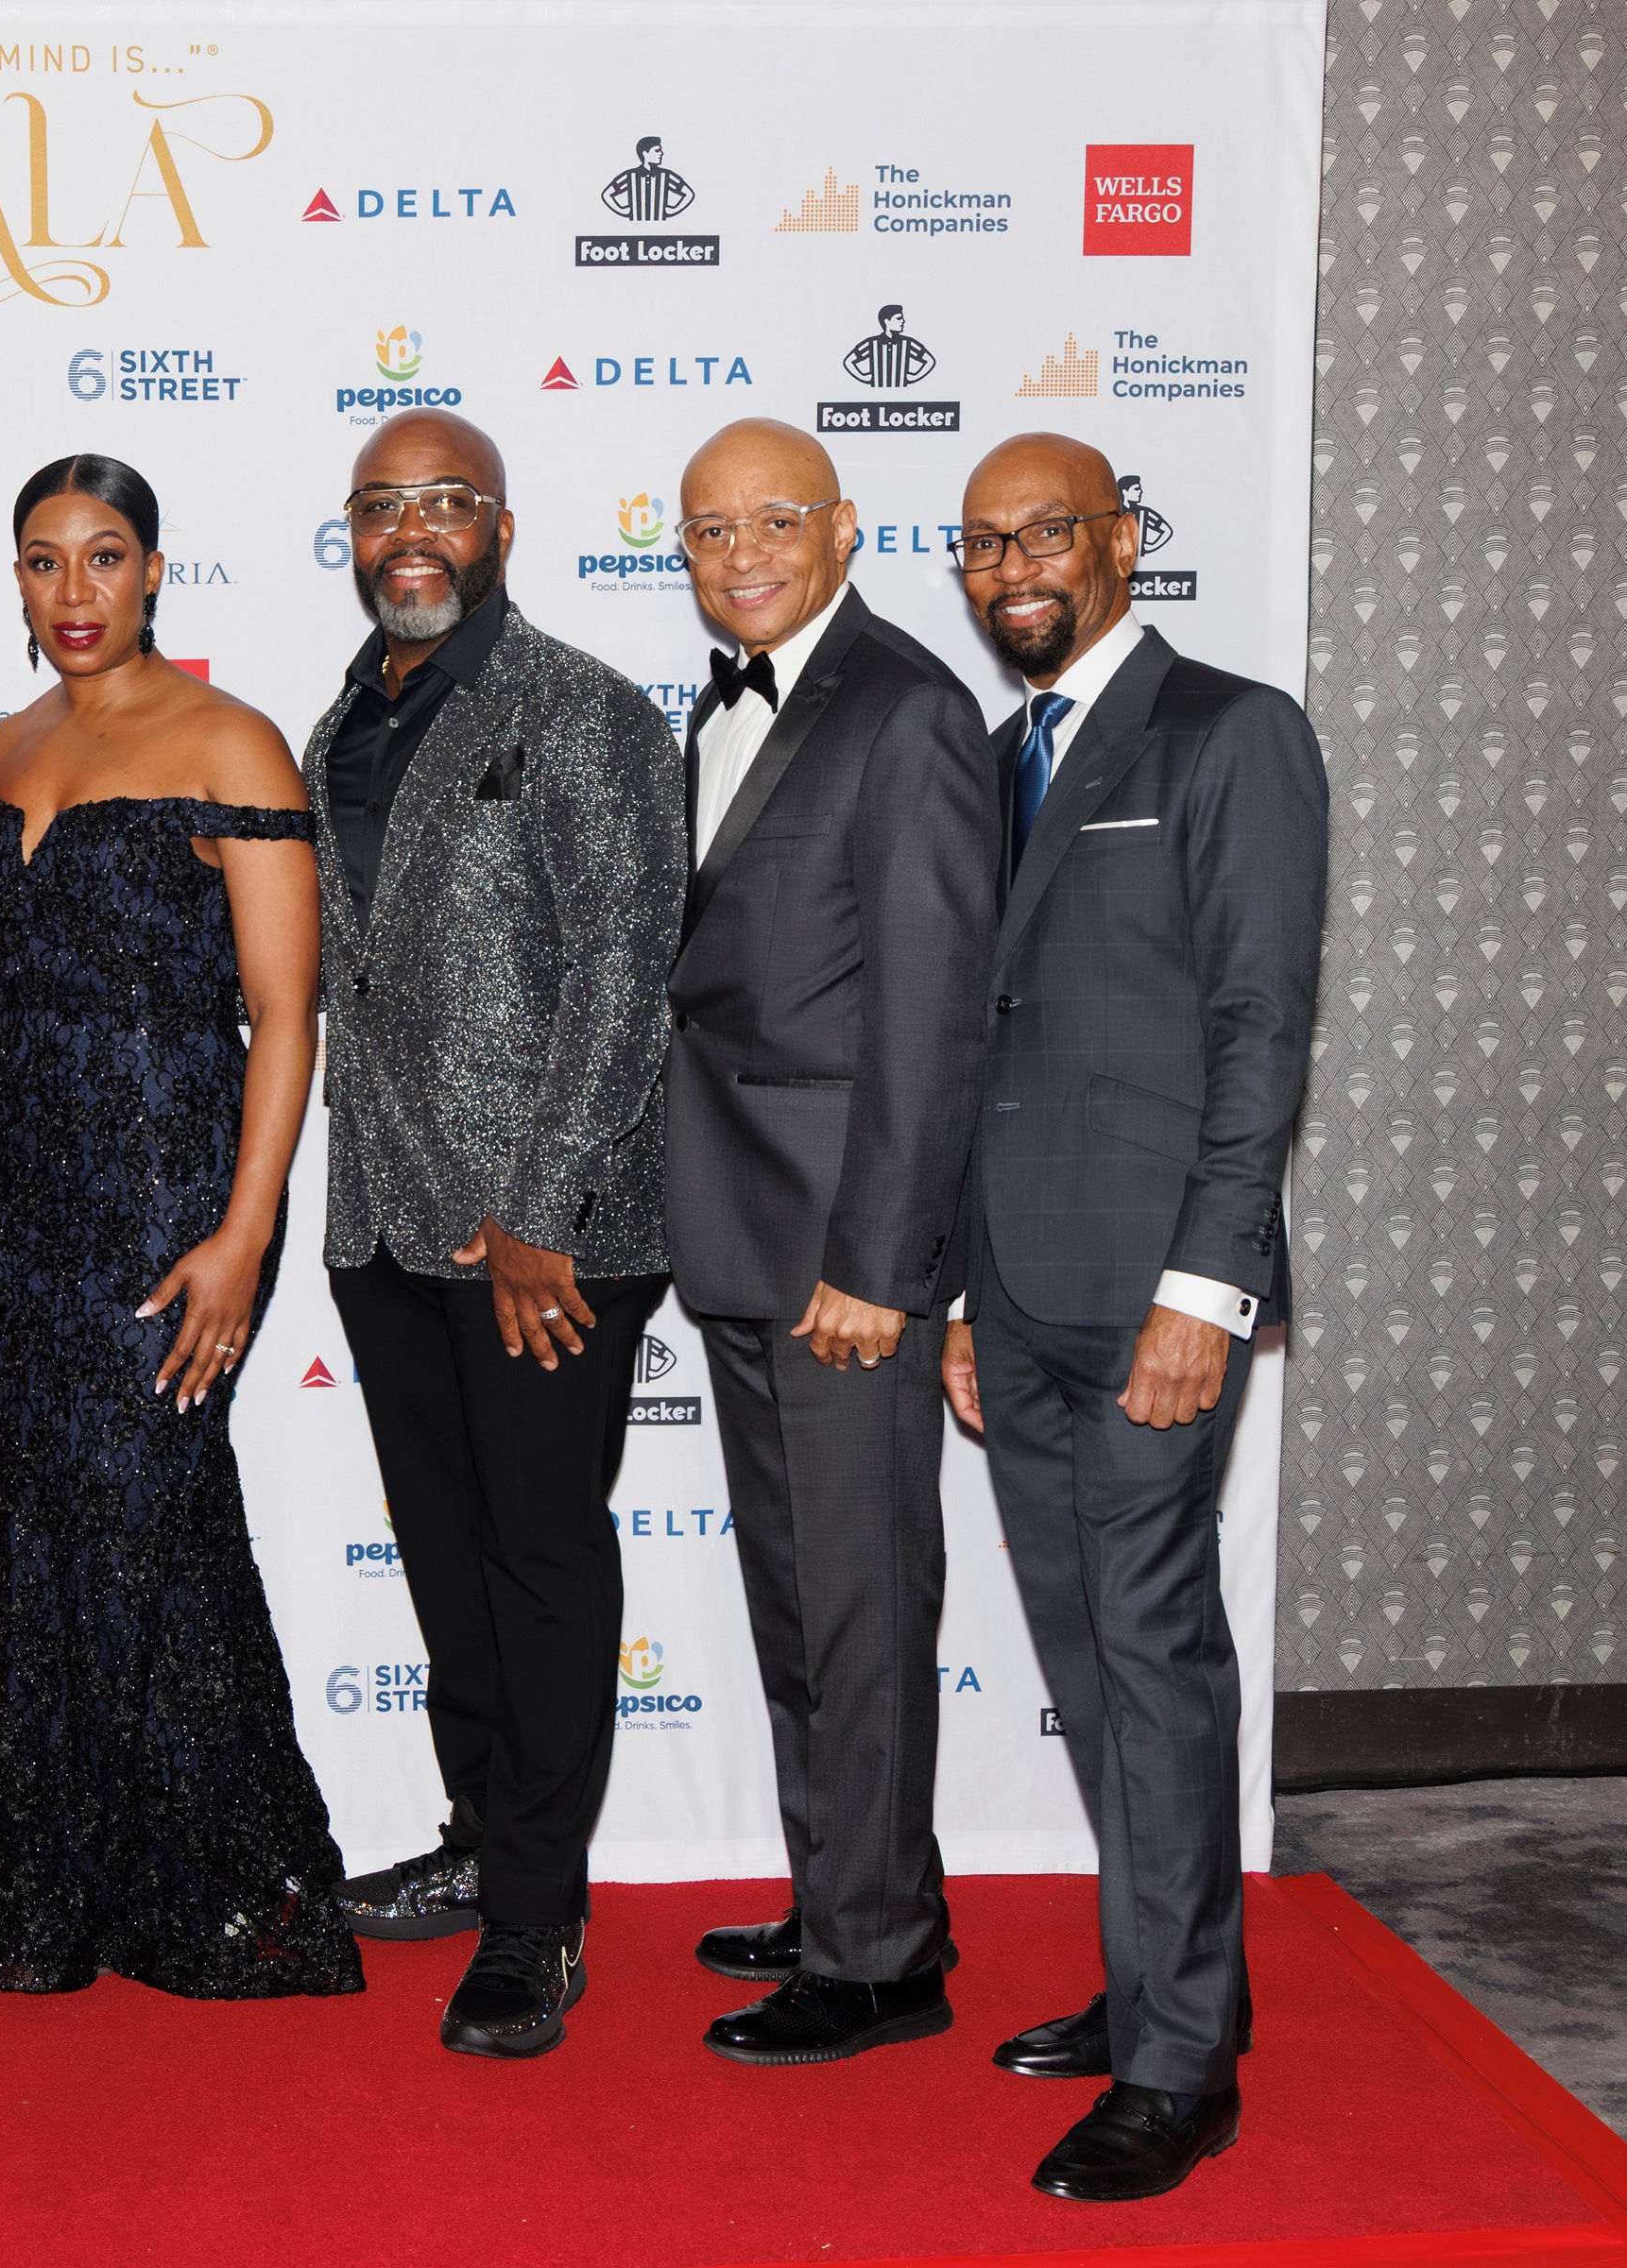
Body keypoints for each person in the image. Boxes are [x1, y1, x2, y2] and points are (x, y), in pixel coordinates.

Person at [0, 454, 364, 2002]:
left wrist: (243, 1229)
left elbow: (286, 1017)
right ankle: (46, 1849)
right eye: (41, 561)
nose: (73, 591)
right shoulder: (0, 751)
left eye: (104, 557)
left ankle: (210, 1865)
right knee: (35, 1499)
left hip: (172, 1175)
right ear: (12, 582)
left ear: (157, 571)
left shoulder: (232, 739)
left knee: (145, 1503)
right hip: (24, 1180)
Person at [943, 433, 1326, 2202]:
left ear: (1122, 542)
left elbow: (1261, 1031)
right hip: (1012, 1289)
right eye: (983, 544)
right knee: (1093, 1657)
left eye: (1046, 534)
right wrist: (957, 1284)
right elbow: (991, 1038)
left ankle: (1183, 2071)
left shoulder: (1228, 731)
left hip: (1156, 1287)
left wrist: (1211, 1280)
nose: (1013, 567)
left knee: (1155, 1648)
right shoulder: (1001, 749)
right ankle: (1173, 1979)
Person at [308, 409, 685, 2058]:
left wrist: (534, 1217)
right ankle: (485, 1832)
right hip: (388, 1221)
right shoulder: (347, 718)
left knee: (536, 1562)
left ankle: (539, 1919)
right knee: (450, 1560)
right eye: (383, 506)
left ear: (503, 527)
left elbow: (624, 976)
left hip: (552, 1232)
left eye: (445, 503)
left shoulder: (585, 712)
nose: (413, 531)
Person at [665, 419, 1002, 2067]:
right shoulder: (722, 702)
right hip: (741, 1235)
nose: (739, 551)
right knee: (803, 1604)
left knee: (862, 1608)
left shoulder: (910, 709)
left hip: (841, 1261)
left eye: (773, 520)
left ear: (847, 528)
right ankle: (849, 1893)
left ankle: (879, 1959)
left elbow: (934, 1024)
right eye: (708, 529)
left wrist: (885, 1265)